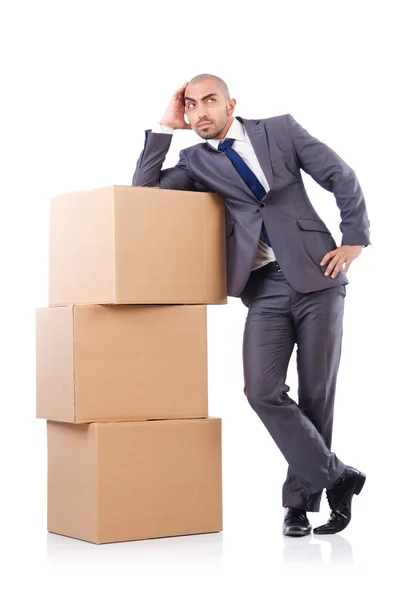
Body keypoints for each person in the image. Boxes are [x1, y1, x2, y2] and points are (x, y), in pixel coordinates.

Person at [132, 73, 370, 537]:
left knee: (317, 393)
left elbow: (340, 174)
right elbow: (145, 193)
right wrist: (163, 126)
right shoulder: (194, 161)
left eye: (209, 101)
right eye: (190, 105)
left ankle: (299, 505)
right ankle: (338, 476)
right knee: (261, 391)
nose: (199, 111)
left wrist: (355, 239)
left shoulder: (279, 130)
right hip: (263, 286)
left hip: (320, 274)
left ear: (230, 103)